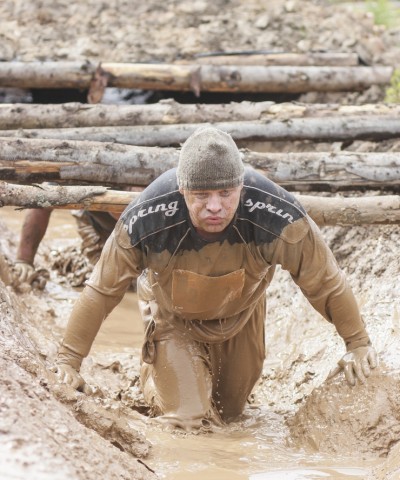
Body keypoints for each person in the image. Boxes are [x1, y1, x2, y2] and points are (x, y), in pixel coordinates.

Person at [54, 126, 377, 430]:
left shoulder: (277, 215)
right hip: (173, 316)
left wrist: (357, 344)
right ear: (182, 190)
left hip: (242, 313)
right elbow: (101, 290)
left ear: (240, 187)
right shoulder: (147, 216)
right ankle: (155, 377)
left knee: (232, 414)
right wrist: (70, 362)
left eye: (225, 193)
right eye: (201, 195)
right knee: (187, 418)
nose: (214, 207)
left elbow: (324, 282)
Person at [11, 208, 118, 289]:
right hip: (97, 224)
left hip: (129, 217)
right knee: (108, 282)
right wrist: (24, 260)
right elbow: (41, 202)